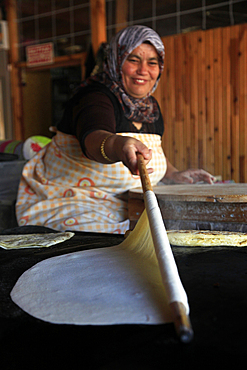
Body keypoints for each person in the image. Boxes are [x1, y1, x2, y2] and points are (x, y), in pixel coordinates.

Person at [16, 25, 215, 234]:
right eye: (133, 59)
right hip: (76, 200)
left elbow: (154, 151)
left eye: (152, 62)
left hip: (129, 201)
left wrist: (174, 174)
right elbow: (94, 138)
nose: (143, 70)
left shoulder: (150, 109)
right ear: (116, 60)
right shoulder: (95, 97)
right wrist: (119, 145)